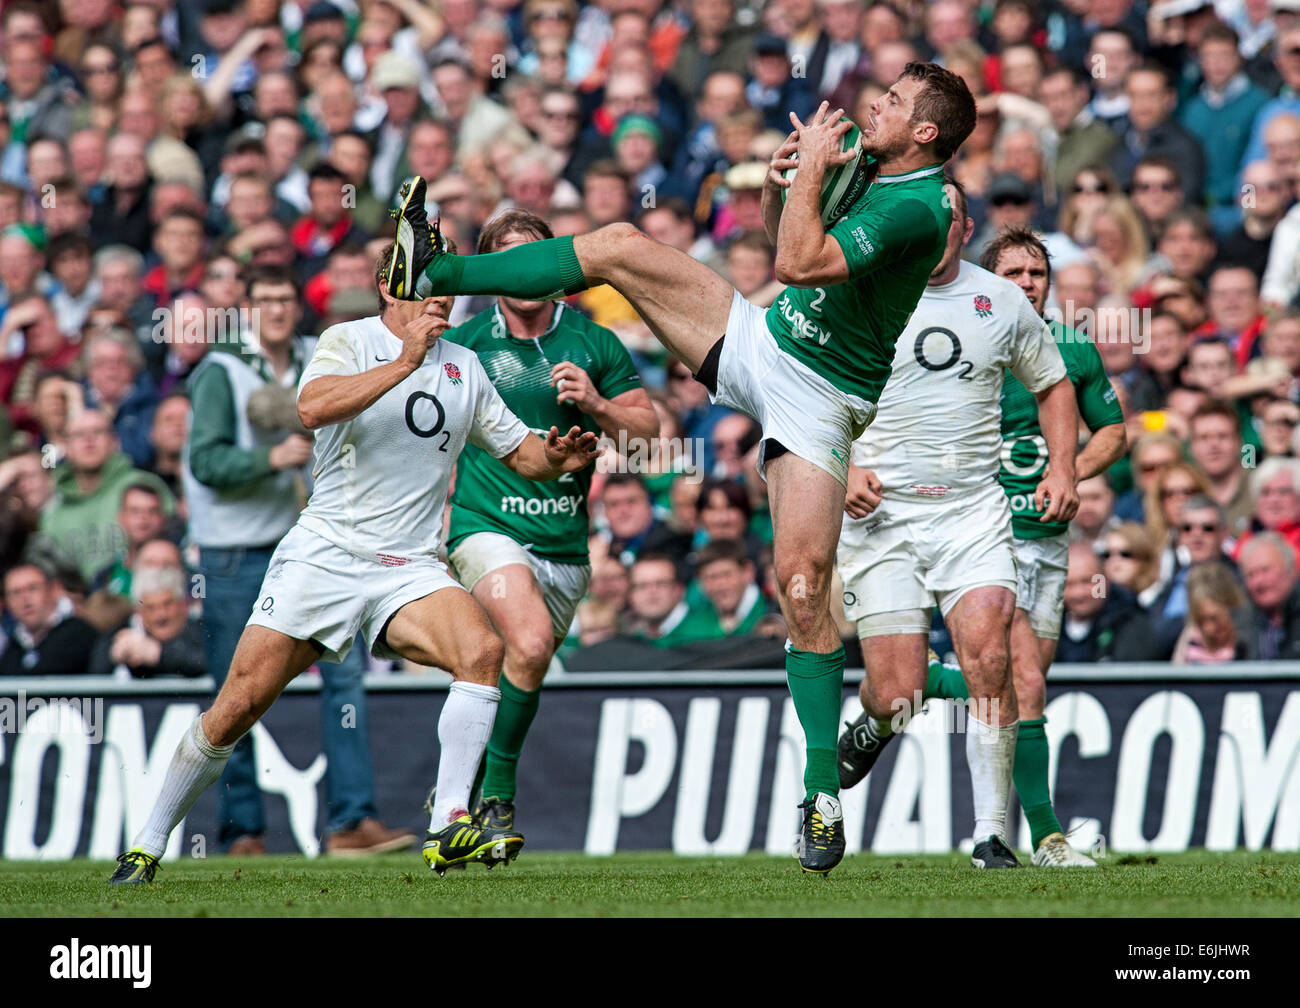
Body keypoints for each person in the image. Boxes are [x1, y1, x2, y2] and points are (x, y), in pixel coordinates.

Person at [384, 63, 979, 875]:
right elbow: (786, 247)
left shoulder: (920, 205)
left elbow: (803, 262)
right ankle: (433, 271)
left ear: (927, 134)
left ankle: (820, 795)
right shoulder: (875, 165)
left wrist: (810, 175)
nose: (877, 104)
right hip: (765, 339)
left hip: (821, 399)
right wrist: (783, 186)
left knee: (803, 588)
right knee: (619, 245)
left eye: (896, 103)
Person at [109, 248, 600, 885]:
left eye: (446, 286)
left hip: (410, 566)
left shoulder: (467, 367)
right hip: (326, 555)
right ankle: (147, 842)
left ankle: (450, 823)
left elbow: (522, 454)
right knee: (235, 707)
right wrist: (405, 362)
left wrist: (560, 456)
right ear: (387, 288)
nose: (440, 298)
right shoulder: (348, 339)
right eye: (427, 285)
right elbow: (313, 409)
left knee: (482, 650)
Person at [832, 202, 1086, 871]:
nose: (933, 231)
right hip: (882, 516)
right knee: (896, 687)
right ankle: (875, 721)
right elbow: (813, 390)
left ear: (964, 231)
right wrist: (845, 465)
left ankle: (989, 836)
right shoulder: (863, 292)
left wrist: (1063, 466)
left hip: (972, 512)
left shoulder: (1002, 301)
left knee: (991, 659)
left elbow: (1055, 386)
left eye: (947, 220)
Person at [181, 265, 412, 859]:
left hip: (314, 545)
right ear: (248, 308)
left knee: (345, 679)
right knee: (239, 693)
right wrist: (270, 459)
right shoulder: (220, 371)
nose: (278, 308)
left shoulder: (320, 354)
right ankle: (242, 832)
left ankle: (351, 821)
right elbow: (204, 462)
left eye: (286, 296)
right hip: (237, 553)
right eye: (266, 299)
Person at [443, 209, 656, 835]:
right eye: (505, 256)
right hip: (484, 523)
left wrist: (595, 402)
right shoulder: (467, 344)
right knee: (529, 641)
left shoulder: (594, 341)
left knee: (521, 665)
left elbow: (650, 435)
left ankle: (459, 798)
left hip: (564, 540)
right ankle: (500, 795)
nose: (521, 271)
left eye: (533, 256)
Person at [0, 559, 98, 676]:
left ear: (54, 590)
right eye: (15, 593)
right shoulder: (11, 647)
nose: (24, 598)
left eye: (32, 588)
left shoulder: (80, 633)